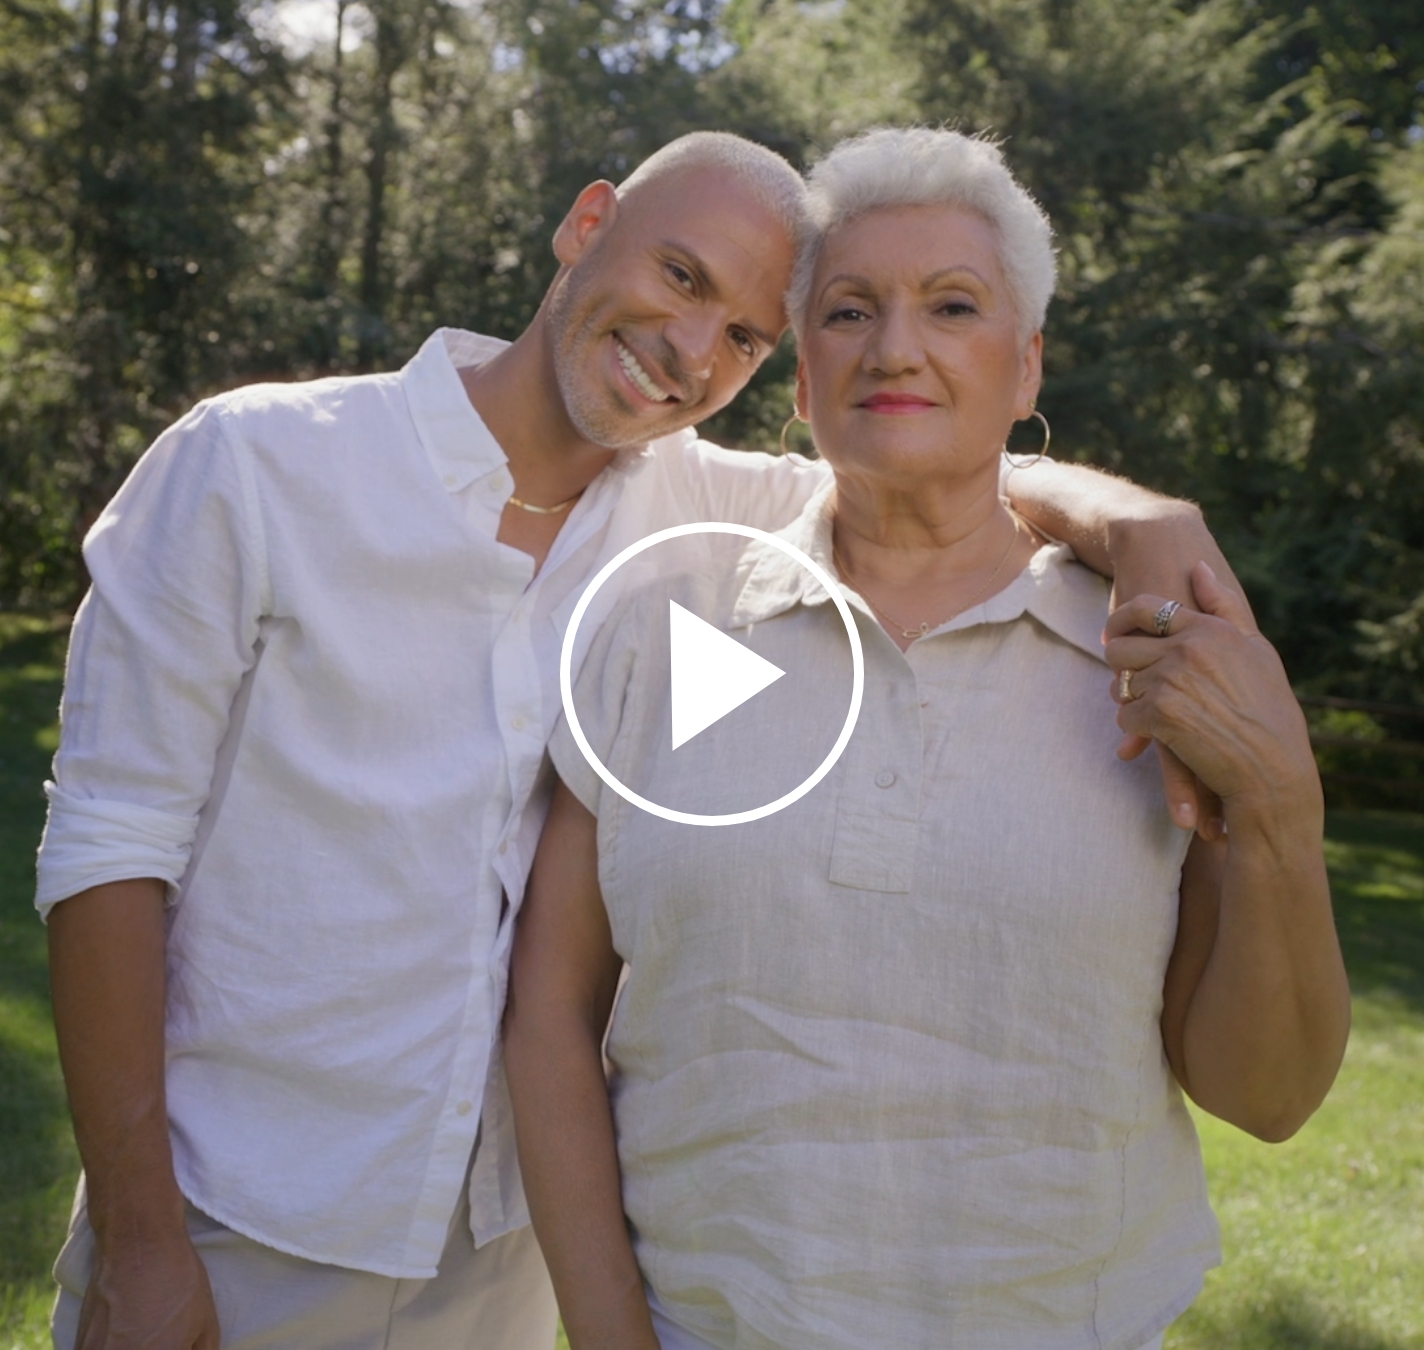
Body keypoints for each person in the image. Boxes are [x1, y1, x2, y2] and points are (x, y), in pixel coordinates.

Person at [38, 129, 1244, 1350]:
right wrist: (140, 1241)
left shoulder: (707, 509)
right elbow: (107, 849)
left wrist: (1138, 521)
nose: (689, 350)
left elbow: (936, 458)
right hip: (232, 1221)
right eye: (679, 276)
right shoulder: (255, 465)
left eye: (743, 336)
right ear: (586, 223)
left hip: (504, 1260)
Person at [504, 127, 1352, 1350]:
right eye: (846, 312)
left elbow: (1265, 1098)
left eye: (951, 306)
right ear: (801, 380)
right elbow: (549, 1015)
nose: (894, 348)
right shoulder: (669, 622)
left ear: (1025, 364)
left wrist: (1277, 807)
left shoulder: (1148, 655)